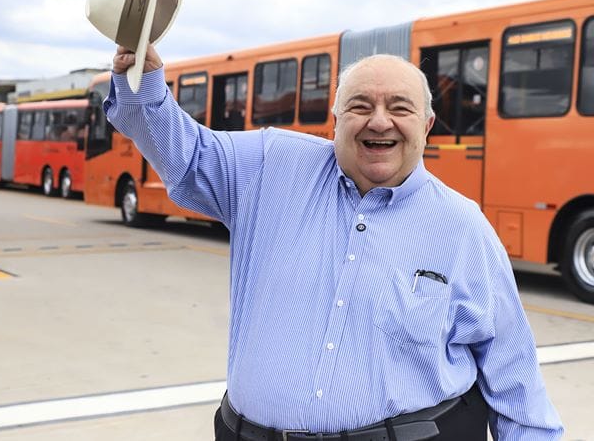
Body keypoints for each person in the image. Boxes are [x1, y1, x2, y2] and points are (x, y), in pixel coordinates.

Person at [104, 45, 563, 440]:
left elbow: (513, 376)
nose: (379, 121)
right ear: (336, 120)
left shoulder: (463, 227)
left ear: (426, 126)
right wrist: (143, 81)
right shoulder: (270, 169)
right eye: (361, 106)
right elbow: (185, 155)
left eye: (400, 108)